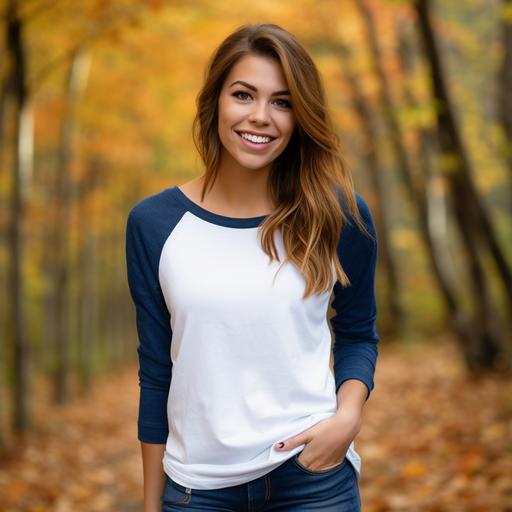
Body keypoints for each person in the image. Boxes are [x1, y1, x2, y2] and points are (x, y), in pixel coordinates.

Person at [125, 22, 380, 512]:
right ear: (216, 101)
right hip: (197, 489)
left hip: (313, 480)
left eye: (282, 102)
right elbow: (157, 370)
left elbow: (358, 332)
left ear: (300, 116)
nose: (260, 116)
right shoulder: (153, 224)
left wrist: (347, 417)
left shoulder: (339, 214)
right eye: (244, 95)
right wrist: (152, 504)